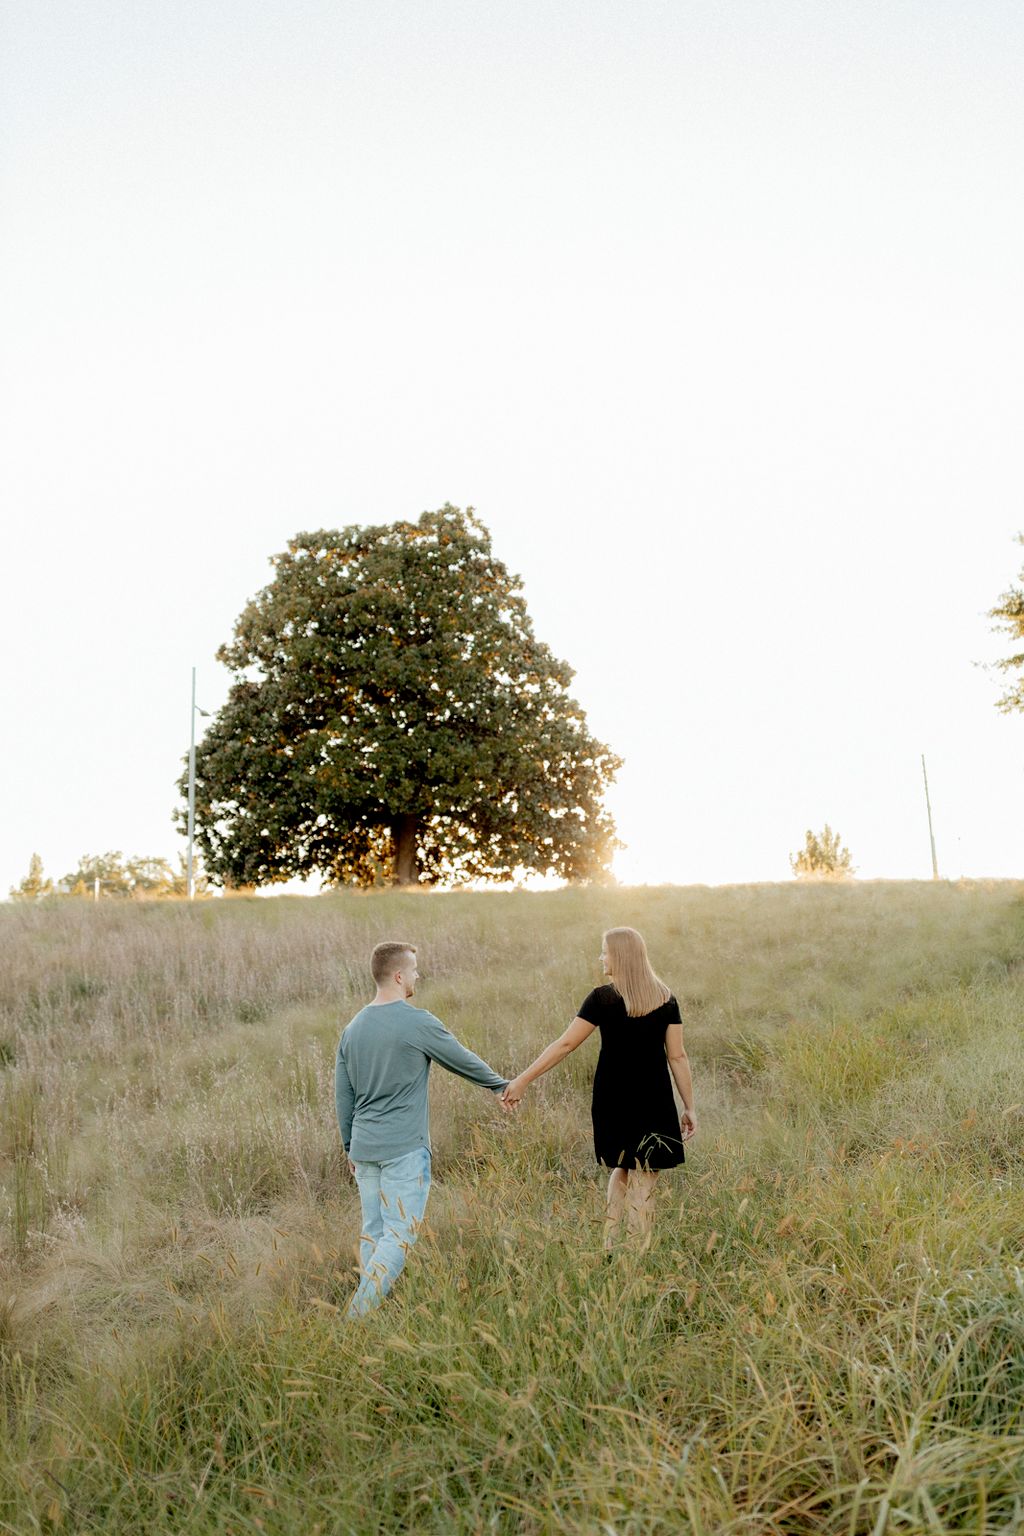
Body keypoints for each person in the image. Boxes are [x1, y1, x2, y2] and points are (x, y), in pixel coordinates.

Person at [335, 940, 513, 1317]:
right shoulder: (417, 1022)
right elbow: (460, 1058)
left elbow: (343, 1094)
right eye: (414, 970)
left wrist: (350, 1145)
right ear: (399, 976)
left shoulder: (352, 1029)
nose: (418, 975)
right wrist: (500, 1085)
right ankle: (355, 1317)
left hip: (364, 1149)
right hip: (403, 1149)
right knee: (399, 1235)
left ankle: (371, 1315)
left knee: (375, 1232)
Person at [502, 927, 696, 1245]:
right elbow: (677, 1056)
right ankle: (634, 1256)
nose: (601, 957)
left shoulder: (602, 998)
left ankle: (610, 1246)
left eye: (604, 951)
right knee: (644, 1177)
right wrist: (688, 1107)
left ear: (619, 956)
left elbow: (565, 1044)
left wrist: (523, 1079)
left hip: (613, 1099)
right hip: (653, 1100)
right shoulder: (665, 998)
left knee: (622, 1167)